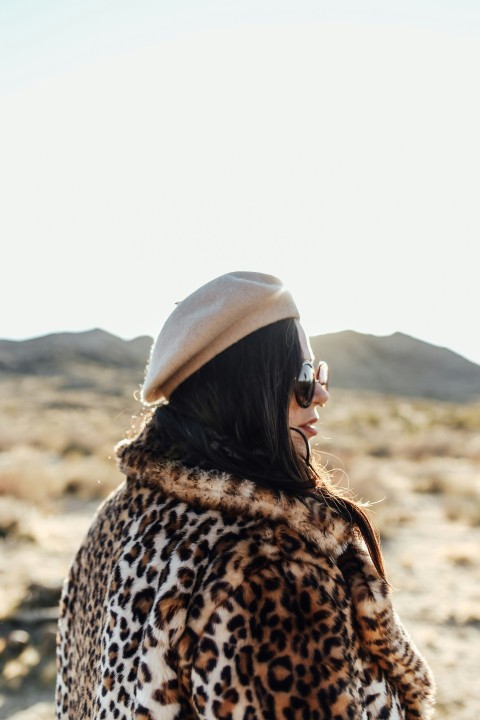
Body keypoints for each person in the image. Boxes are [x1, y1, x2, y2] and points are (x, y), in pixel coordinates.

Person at [56, 271, 435, 719]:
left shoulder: (120, 515)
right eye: (302, 377)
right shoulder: (271, 569)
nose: (322, 394)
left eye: (319, 373)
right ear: (244, 389)